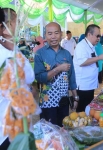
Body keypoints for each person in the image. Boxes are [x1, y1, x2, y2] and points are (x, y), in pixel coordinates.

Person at [0, 7, 35, 149]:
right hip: (8, 128)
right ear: (3, 28)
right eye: (15, 23)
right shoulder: (7, 54)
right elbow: (29, 76)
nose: (17, 28)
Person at [34, 22, 78, 127]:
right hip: (47, 102)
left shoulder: (66, 54)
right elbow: (40, 78)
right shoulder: (40, 54)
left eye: (56, 33)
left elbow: (71, 77)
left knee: (63, 130)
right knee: (49, 132)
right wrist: (58, 69)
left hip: (63, 100)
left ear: (61, 34)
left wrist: (76, 97)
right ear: (45, 36)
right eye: (50, 33)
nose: (53, 36)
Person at [73, 24, 103, 112]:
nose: (98, 38)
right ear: (89, 34)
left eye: (99, 36)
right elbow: (82, 62)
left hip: (89, 84)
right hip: (83, 86)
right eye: (97, 36)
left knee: (88, 110)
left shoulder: (91, 46)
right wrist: (99, 57)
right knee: (82, 111)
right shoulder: (81, 46)